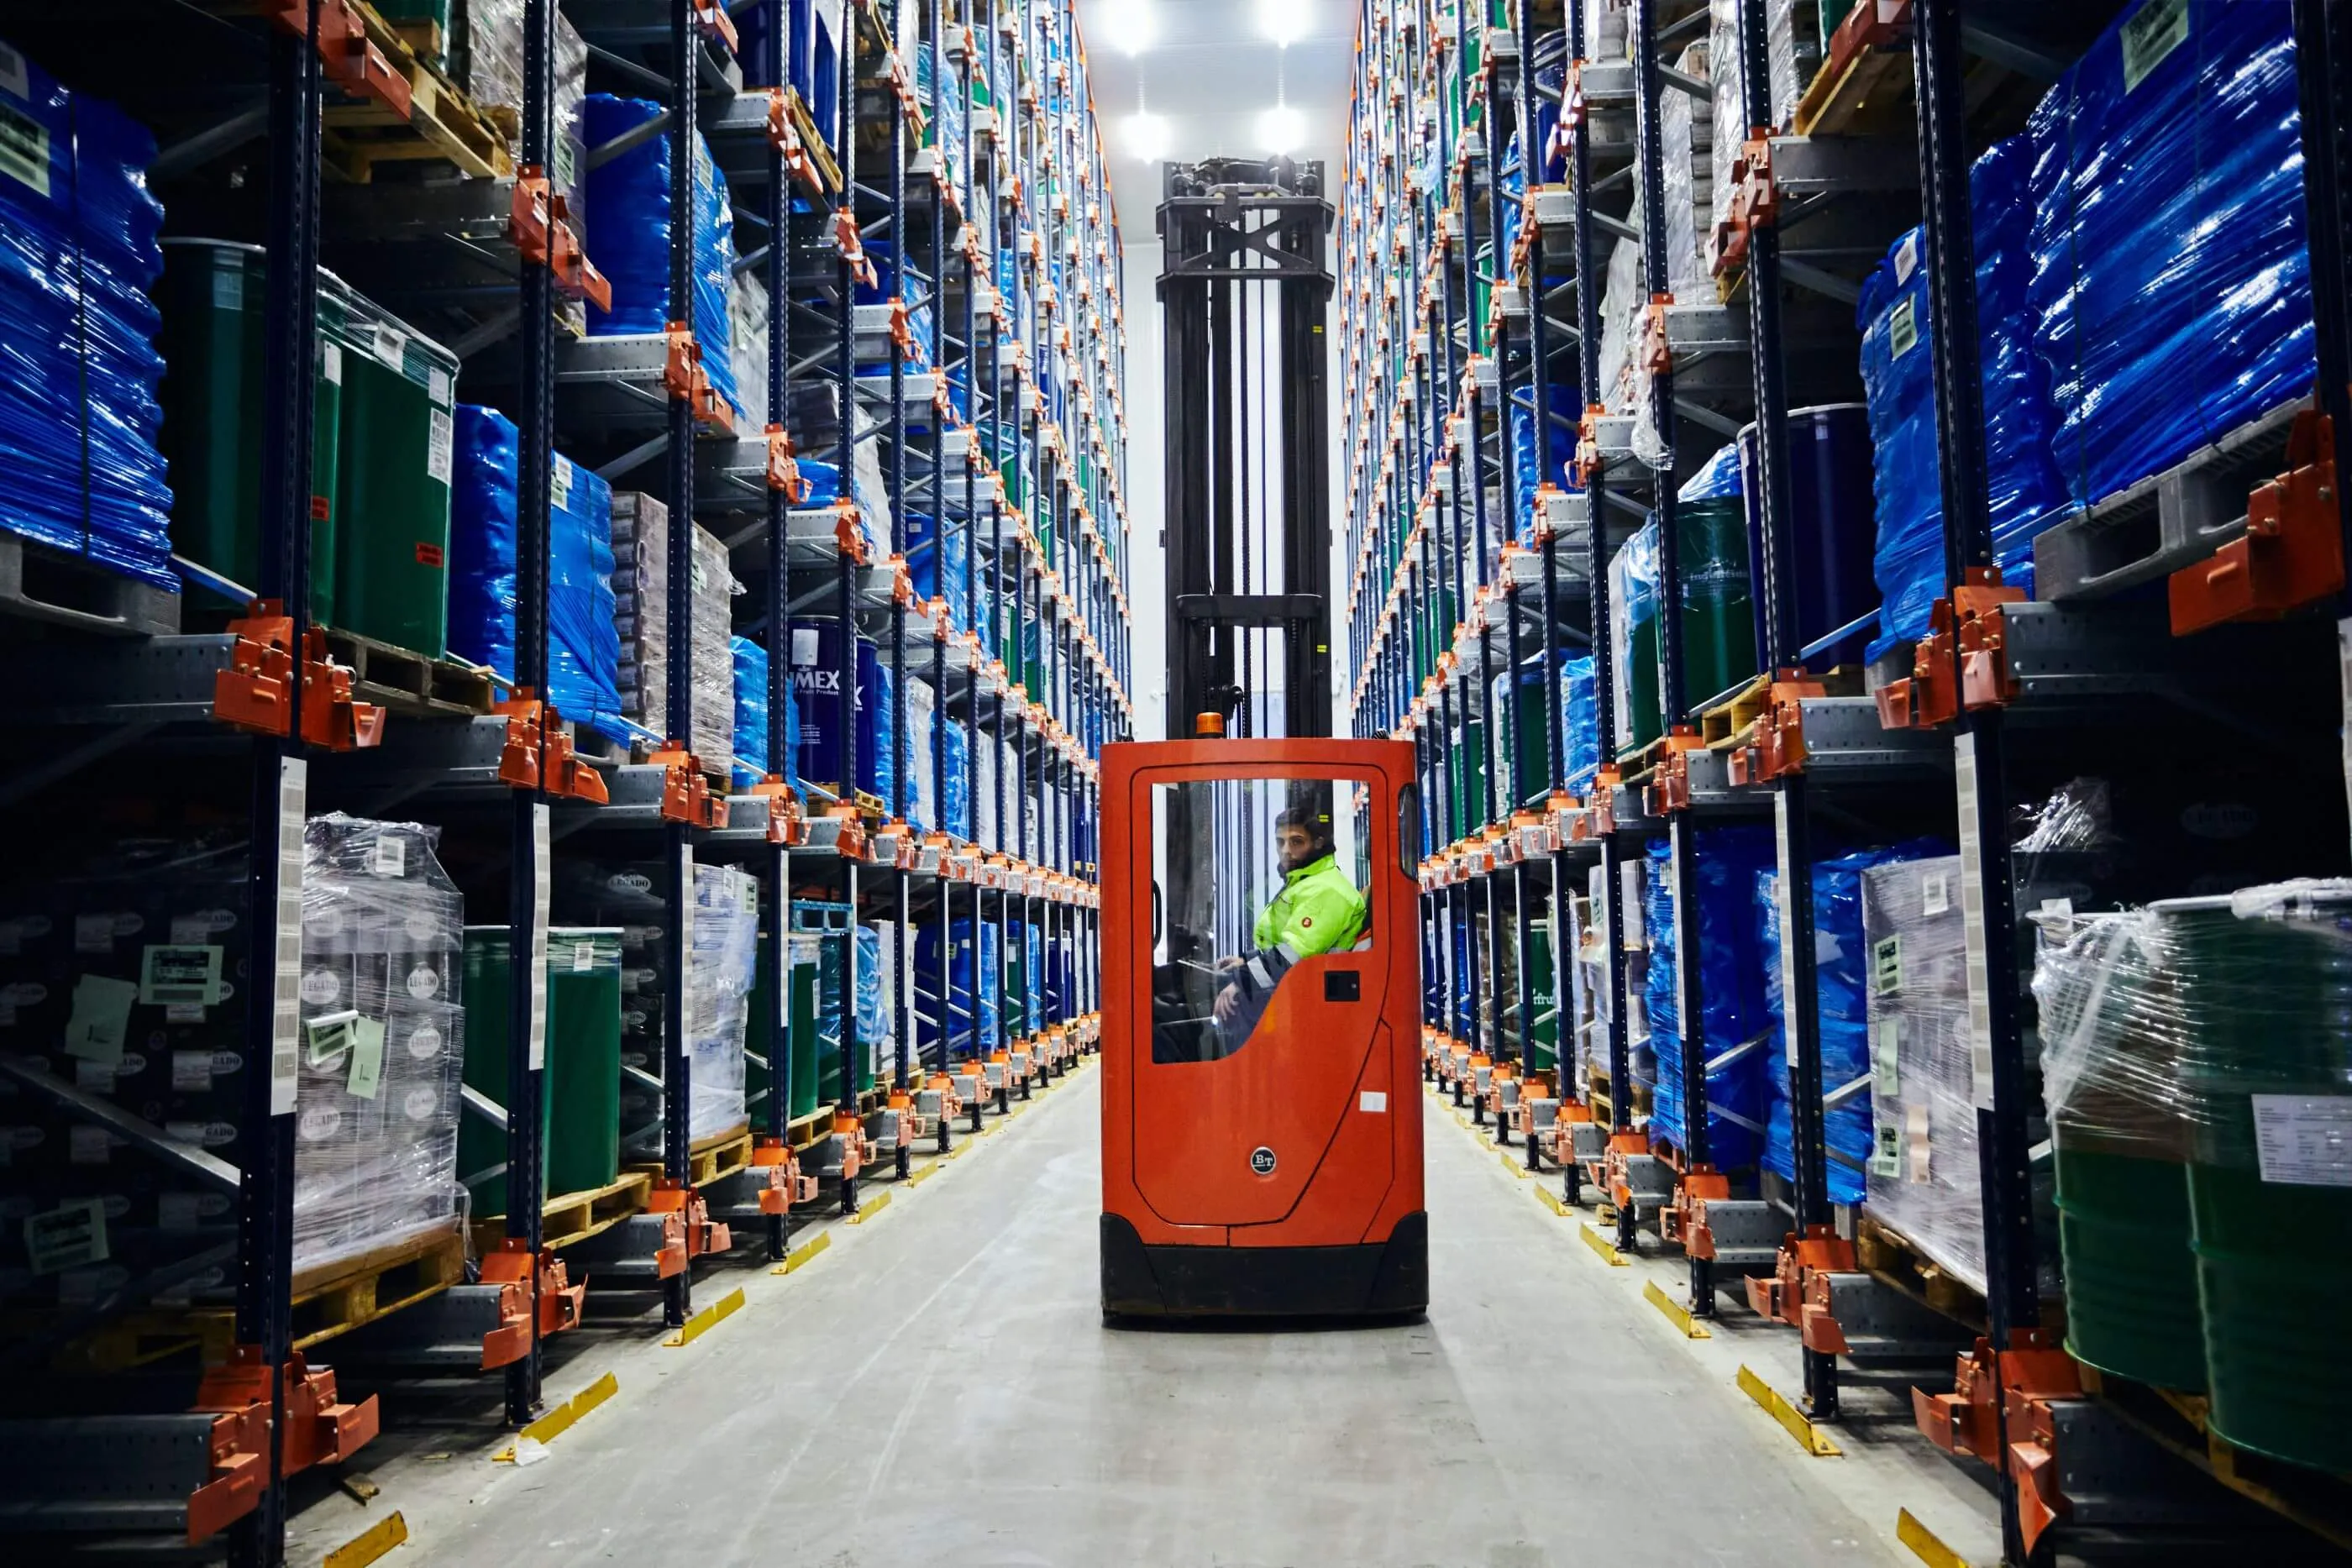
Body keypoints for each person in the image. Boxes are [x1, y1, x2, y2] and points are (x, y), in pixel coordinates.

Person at [1212, 805, 1368, 1031]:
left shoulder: (1326, 890)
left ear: (1317, 844)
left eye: (1296, 842)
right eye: (1280, 842)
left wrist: (1241, 982)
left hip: (1308, 1002)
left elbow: (1293, 955)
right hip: (1293, 992)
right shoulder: (1306, 882)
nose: (1286, 850)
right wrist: (1246, 961)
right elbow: (1286, 945)